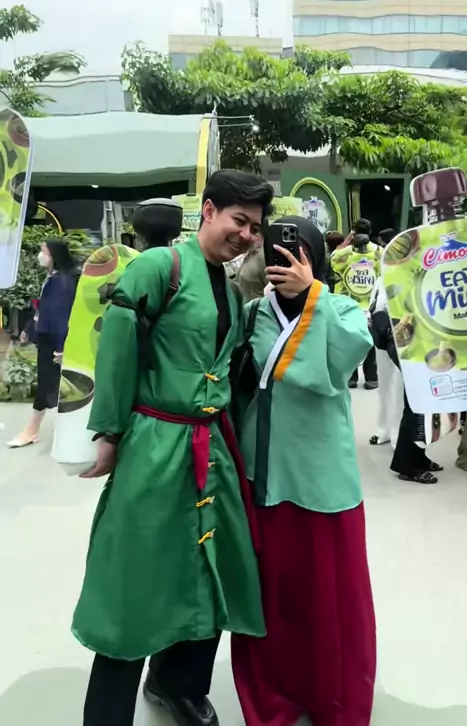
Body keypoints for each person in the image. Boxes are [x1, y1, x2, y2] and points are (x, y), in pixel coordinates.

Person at [73, 170, 273, 726]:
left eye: (254, 228)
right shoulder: (161, 267)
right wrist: (110, 433)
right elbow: (118, 346)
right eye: (239, 220)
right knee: (134, 578)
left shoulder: (228, 287)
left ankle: (178, 685)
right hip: (156, 443)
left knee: (209, 570)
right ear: (208, 211)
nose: (246, 235)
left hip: (212, 450)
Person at [231, 216, 376, 726]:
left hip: (321, 481)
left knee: (329, 601)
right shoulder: (251, 314)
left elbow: (347, 354)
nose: (287, 261)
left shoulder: (340, 308)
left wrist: (312, 291)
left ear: (316, 257)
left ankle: (333, 700)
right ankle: (274, 693)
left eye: (299, 251)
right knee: (274, 596)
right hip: (263, 474)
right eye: (278, 252)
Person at [6, 239, 77, 448]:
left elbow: (61, 317)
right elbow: (43, 310)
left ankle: (32, 431)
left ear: (53, 255)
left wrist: (61, 347)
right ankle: (39, 430)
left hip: (53, 343)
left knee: (49, 385)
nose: (40, 255)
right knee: (50, 385)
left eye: (43, 251)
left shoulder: (61, 282)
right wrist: (29, 329)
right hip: (48, 340)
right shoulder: (54, 278)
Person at [330, 228, 382, 390]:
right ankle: (369, 378)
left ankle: (357, 377)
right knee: (364, 343)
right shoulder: (378, 253)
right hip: (357, 305)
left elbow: (333, 260)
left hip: (358, 305)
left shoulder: (345, 256)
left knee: (357, 343)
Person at [368, 274, 403, 447]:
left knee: (398, 386)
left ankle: (397, 434)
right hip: (382, 334)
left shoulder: (409, 272)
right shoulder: (382, 276)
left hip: (403, 334)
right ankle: (384, 430)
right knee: (384, 384)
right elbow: (374, 303)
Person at [235, 220, 268, 301]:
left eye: (253, 231)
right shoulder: (250, 253)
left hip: (256, 307)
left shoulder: (264, 256)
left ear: (257, 235)